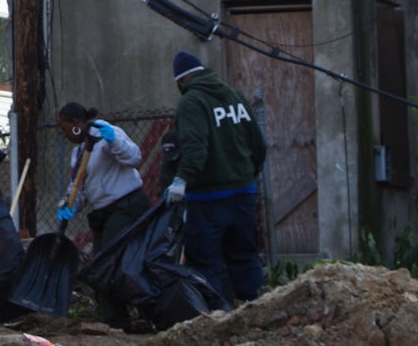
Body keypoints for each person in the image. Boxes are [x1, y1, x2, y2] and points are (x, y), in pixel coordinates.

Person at [165, 49, 267, 305]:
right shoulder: (235, 96)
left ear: (180, 81)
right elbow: (259, 144)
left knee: (204, 261)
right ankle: (259, 310)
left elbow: (195, 149)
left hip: (208, 198)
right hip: (243, 193)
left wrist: (181, 180)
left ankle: (217, 318)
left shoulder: (192, 102)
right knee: (245, 256)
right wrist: (248, 176)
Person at [54, 101, 149, 327]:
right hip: (104, 212)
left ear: (76, 123)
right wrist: (70, 204)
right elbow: (79, 186)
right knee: (100, 265)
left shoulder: (108, 134)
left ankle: (142, 312)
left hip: (128, 205)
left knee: (114, 262)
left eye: (64, 128)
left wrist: (112, 140)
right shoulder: (78, 153)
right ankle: (113, 319)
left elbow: (134, 158)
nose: (64, 134)